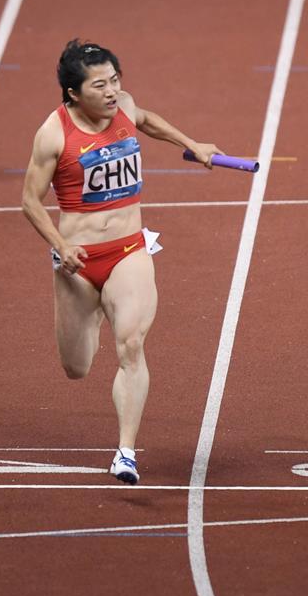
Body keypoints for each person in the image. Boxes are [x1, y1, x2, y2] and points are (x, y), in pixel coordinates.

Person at [22, 39, 222, 485]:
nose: (112, 92)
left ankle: (126, 452)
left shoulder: (124, 106)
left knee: (131, 346)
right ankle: (92, 313)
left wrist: (190, 143)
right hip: (77, 260)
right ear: (74, 93)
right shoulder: (53, 134)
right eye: (100, 85)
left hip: (129, 249)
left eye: (115, 80)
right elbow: (29, 201)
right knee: (77, 368)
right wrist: (60, 244)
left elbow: (145, 119)